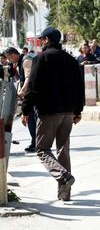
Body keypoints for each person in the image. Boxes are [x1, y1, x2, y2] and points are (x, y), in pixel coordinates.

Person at [21, 27, 84, 201]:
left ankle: (64, 177)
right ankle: (65, 194)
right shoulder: (71, 60)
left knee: (42, 149)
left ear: (47, 40)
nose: (40, 42)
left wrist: (25, 110)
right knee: (63, 150)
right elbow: (80, 87)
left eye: (41, 40)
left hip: (48, 112)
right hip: (68, 112)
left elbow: (33, 88)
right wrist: (78, 110)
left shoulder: (41, 59)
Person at [4, 47, 37, 152]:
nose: (9, 60)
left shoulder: (26, 60)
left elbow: (28, 77)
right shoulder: (20, 62)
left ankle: (36, 143)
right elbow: (21, 80)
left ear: (13, 55)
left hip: (32, 95)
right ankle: (35, 142)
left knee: (32, 119)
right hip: (29, 94)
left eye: (9, 58)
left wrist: (22, 91)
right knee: (30, 119)